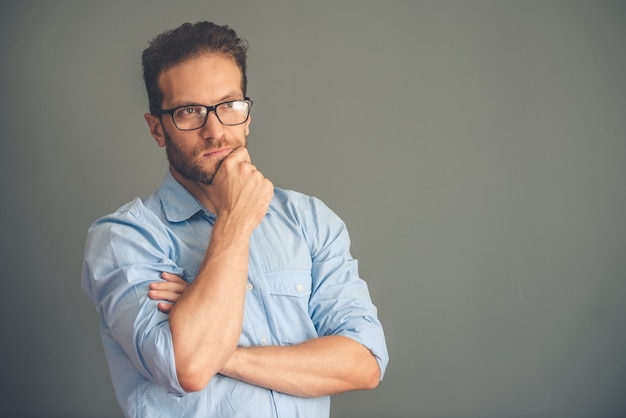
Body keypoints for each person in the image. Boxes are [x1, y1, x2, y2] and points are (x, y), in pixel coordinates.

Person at [81, 21, 388, 418]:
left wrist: (223, 354)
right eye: (189, 111)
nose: (214, 131)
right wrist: (235, 220)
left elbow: (364, 362)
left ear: (246, 114)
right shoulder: (125, 238)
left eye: (228, 105)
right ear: (157, 128)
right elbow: (187, 368)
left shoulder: (310, 220)